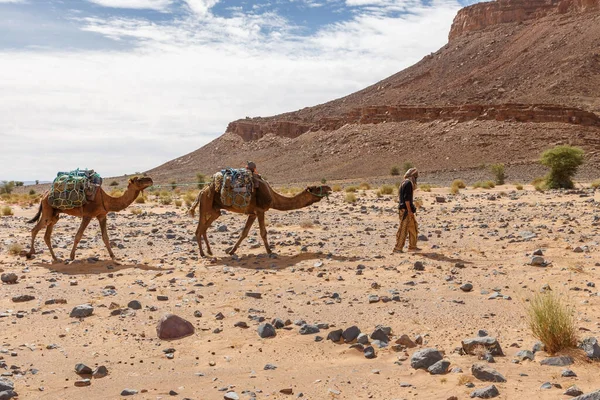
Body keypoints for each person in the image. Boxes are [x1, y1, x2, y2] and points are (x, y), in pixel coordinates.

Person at [394, 167, 420, 253]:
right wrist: (409, 211)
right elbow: (407, 199)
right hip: (406, 210)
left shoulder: (403, 182)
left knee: (413, 227)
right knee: (403, 229)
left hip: (405, 209)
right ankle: (398, 248)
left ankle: (412, 246)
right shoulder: (408, 183)